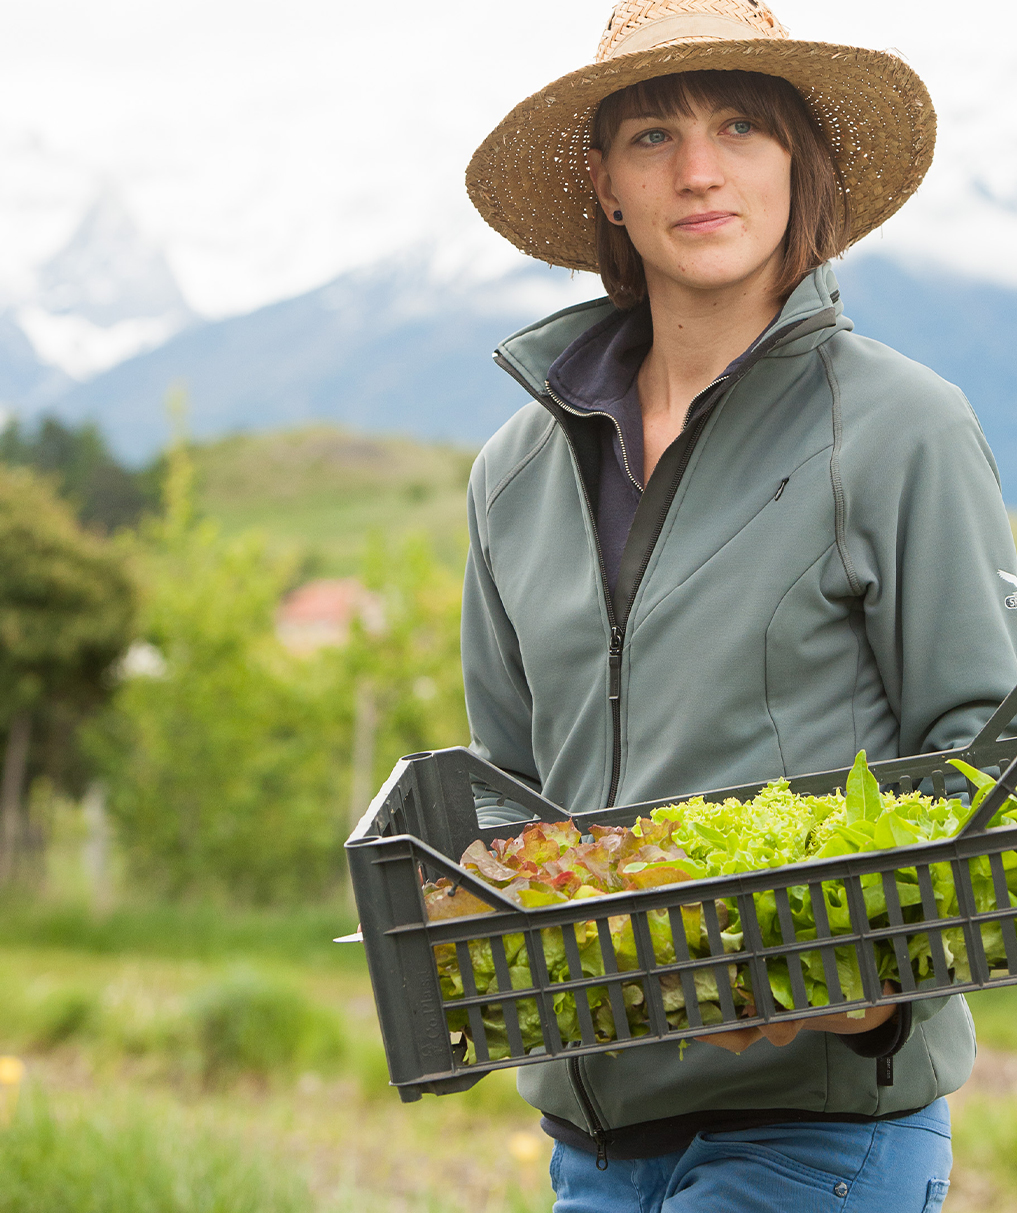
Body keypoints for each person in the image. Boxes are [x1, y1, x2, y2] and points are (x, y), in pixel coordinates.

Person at [458, 2, 1017, 1211]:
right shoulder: (513, 470)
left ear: (798, 167)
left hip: (817, 1119)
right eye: (653, 135)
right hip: (592, 1134)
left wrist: (880, 982)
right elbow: (510, 788)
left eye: (742, 127)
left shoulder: (897, 427)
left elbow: (985, 758)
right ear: (605, 183)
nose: (700, 170)